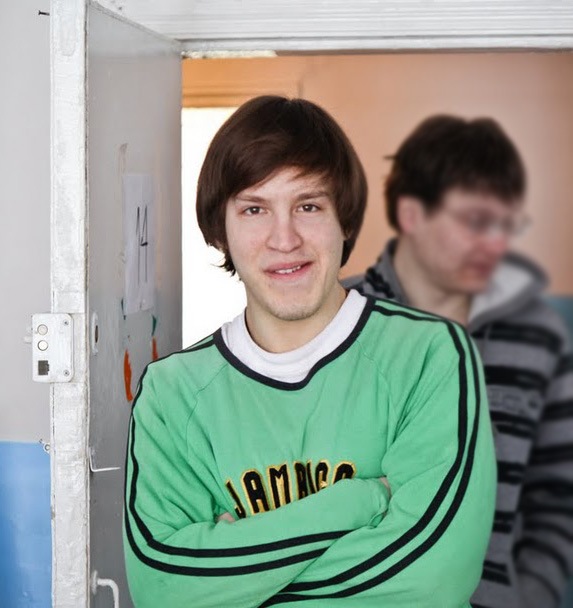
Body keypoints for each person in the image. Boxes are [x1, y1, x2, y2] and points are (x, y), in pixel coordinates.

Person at [123, 96, 496, 608]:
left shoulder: (430, 356)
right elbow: (164, 589)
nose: (284, 239)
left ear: (345, 221)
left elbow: (432, 578)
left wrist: (235, 580)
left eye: (309, 206)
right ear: (220, 231)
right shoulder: (172, 395)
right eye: (254, 209)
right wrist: (360, 501)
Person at [344, 115, 573, 608]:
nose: (497, 244)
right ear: (411, 214)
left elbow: (557, 497)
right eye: (477, 222)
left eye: (508, 225)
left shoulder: (537, 335)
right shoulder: (337, 319)